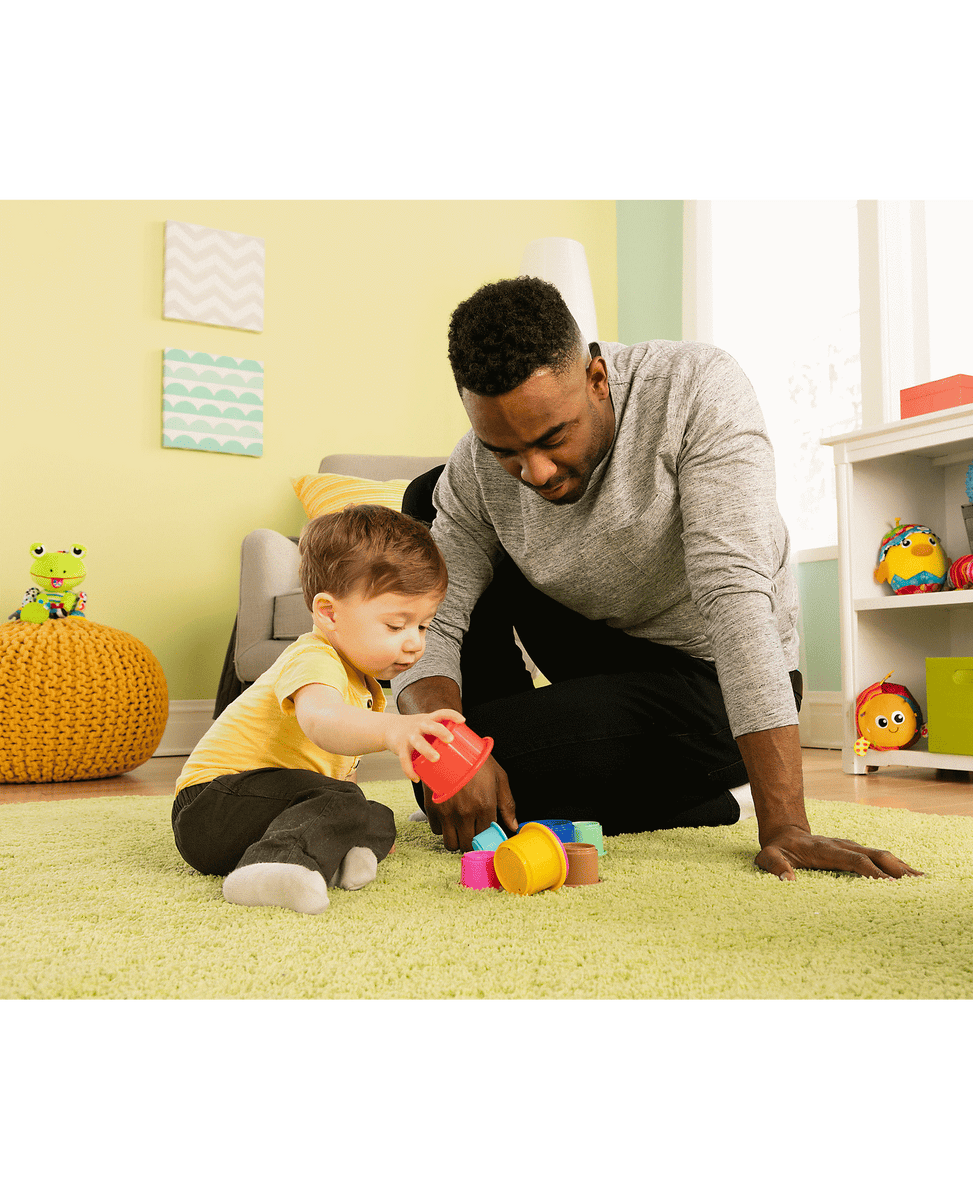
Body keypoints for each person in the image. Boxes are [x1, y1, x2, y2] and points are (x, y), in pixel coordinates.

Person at [397, 276, 920, 882]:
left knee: (491, 774)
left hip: (713, 680)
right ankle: (574, 780)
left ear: (597, 380)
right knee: (429, 496)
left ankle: (591, 779)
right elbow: (434, 617)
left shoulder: (695, 390)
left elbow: (734, 597)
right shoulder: (478, 470)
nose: (534, 472)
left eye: (552, 438)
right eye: (504, 449)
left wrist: (786, 824)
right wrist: (456, 759)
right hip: (599, 652)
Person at [172, 504, 465, 914]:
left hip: (261, 811)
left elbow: (336, 766)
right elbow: (322, 722)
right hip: (210, 806)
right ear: (329, 613)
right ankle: (271, 868)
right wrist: (392, 729)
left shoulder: (359, 680)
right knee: (344, 801)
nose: (415, 642)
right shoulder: (314, 658)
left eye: (424, 625)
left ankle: (336, 851)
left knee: (373, 812)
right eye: (396, 626)